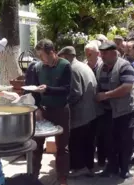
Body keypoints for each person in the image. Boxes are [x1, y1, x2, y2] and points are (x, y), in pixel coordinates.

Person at [26, 39, 71, 185]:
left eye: (42, 55)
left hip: (60, 110)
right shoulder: (38, 67)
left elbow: (66, 90)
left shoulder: (65, 66)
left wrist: (48, 89)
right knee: (36, 145)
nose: (40, 59)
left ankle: (62, 177)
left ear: (51, 52)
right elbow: (34, 91)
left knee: (62, 147)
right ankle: (33, 177)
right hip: (43, 111)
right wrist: (37, 108)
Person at [96, 41, 134, 179]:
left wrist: (106, 95)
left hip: (126, 110)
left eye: (105, 53)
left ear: (114, 53)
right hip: (108, 111)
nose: (102, 56)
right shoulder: (101, 67)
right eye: (101, 53)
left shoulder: (125, 66)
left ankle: (124, 168)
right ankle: (112, 167)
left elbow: (126, 88)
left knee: (125, 140)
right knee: (110, 140)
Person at [58, 46, 99, 177]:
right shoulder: (84, 66)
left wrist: (62, 103)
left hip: (80, 113)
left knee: (76, 141)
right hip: (91, 111)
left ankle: (80, 167)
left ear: (65, 56)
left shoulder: (72, 69)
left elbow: (76, 93)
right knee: (88, 141)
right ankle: (88, 166)